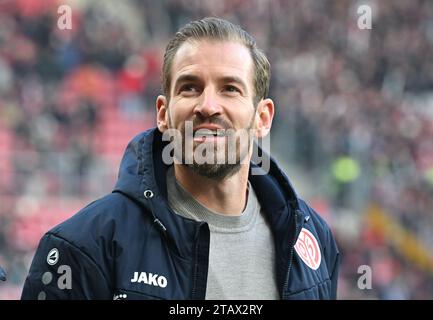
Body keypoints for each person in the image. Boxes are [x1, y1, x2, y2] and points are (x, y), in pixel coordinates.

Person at [21, 17, 339, 300]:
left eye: (230, 89)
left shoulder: (314, 243)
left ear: (262, 118)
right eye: (190, 88)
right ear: (163, 113)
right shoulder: (83, 247)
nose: (208, 106)